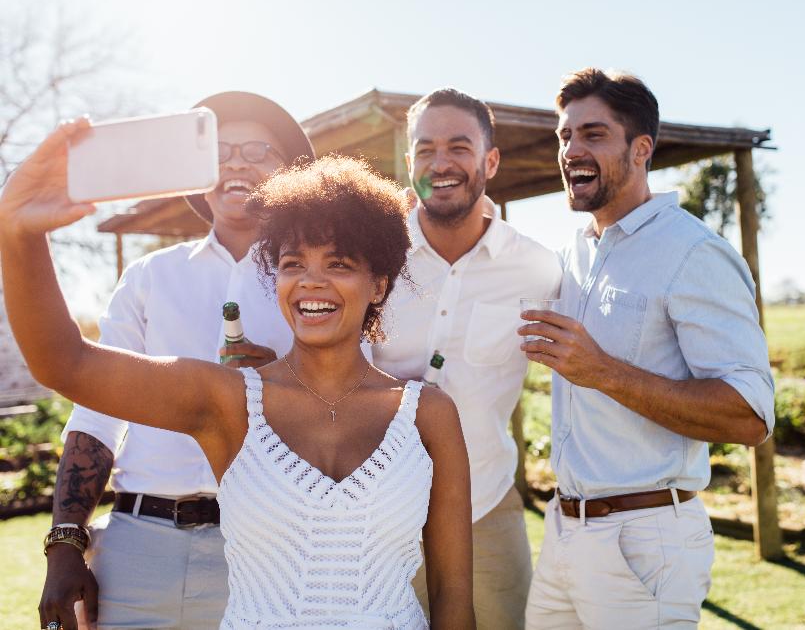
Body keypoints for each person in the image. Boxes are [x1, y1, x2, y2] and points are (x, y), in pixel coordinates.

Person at [3, 123, 475, 629]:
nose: (311, 279)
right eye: (294, 263)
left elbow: (451, 594)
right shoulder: (228, 401)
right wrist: (19, 232)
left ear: (378, 283)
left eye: (337, 263)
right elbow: (64, 363)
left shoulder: (428, 414)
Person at [36, 92, 315, 629]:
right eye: (219, 150)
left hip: (270, 547)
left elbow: (354, 409)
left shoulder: (319, 282)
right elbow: (96, 413)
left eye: (259, 150)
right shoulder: (149, 277)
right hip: (140, 551)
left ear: (292, 173)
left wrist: (280, 381)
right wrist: (65, 544)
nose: (236, 162)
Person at [520, 68, 775, 629]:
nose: (571, 150)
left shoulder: (693, 253)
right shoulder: (572, 256)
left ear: (641, 150)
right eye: (564, 136)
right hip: (562, 534)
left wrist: (604, 372)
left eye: (593, 134)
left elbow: (751, 416)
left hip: (644, 542)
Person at [373, 88, 561, 629]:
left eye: (459, 146)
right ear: (410, 163)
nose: (442, 163)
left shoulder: (538, 270)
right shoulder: (371, 259)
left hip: (487, 510)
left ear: (490, 160)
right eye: (426, 149)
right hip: (376, 514)